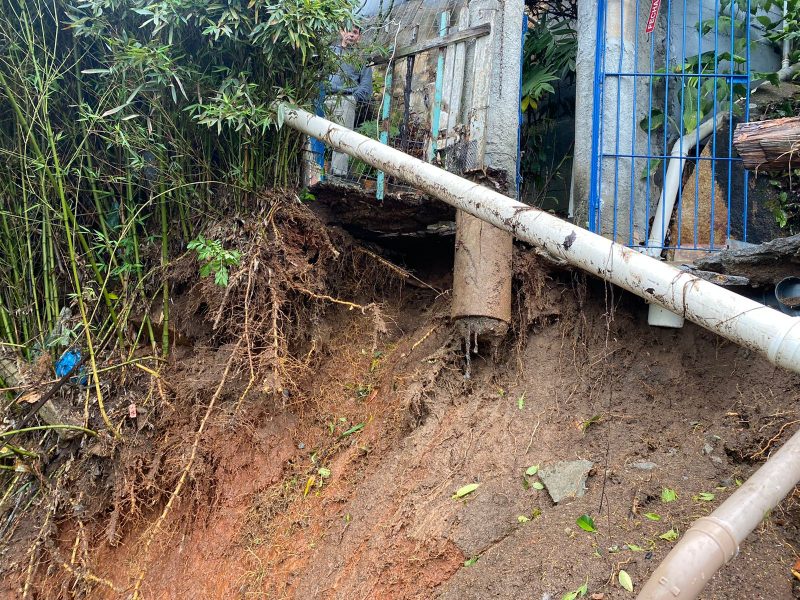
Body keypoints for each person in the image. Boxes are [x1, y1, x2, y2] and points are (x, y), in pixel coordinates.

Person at [325, 25, 373, 176]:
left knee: (341, 141)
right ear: (341, 32)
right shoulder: (330, 53)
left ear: (359, 37)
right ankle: (315, 175)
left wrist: (353, 98)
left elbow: (366, 84)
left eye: (355, 32)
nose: (351, 35)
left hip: (346, 100)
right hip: (324, 98)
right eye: (348, 31)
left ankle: (337, 177)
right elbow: (318, 73)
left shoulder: (361, 58)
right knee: (317, 137)